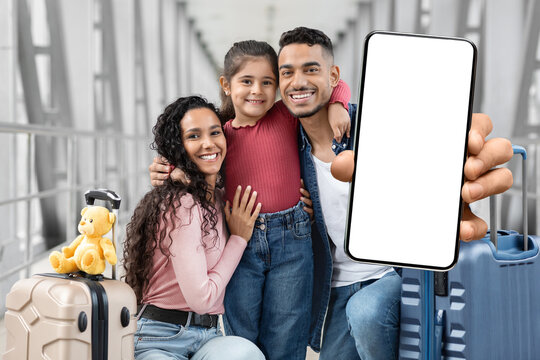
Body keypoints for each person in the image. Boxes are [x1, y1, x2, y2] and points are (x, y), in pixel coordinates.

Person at [150, 28, 513, 359]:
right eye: (285, 74)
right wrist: (170, 167)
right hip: (304, 270)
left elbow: (330, 92)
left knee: (319, 323)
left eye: (269, 81)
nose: (265, 89)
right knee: (249, 331)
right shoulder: (259, 135)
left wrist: (340, 103)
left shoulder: (341, 125)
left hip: (360, 266)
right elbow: (204, 149)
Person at [275, 27, 513, 360]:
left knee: (366, 311)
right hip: (337, 286)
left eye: (310, 69)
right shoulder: (286, 144)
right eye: (287, 73)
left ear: (333, 75)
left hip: (392, 274)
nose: (297, 81)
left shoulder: (376, 123)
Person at [151, 40, 351, 360]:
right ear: (226, 85)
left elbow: (333, 83)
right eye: (247, 81)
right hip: (240, 238)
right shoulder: (219, 136)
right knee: (241, 332)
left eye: (267, 82)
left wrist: (339, 105)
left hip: (293, 239)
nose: (257, 91)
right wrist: (165, 171)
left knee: (288, 326)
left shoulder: (285, 116)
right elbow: (185, 160)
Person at [123, 95, 265, 360]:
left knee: (247, 355)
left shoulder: (221, 198)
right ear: (179, 148)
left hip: (208, 336)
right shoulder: (181, 202)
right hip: (158, 337)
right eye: (194, 136)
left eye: (215, 133)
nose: (208, 143)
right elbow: (202, 299)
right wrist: (239, 239)